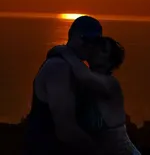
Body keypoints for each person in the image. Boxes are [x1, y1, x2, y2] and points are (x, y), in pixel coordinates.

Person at [23, 16, 103, 155]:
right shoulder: (59, 68)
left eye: (96, 41)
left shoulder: (75, 68)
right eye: (85, 38)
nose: (90, 45)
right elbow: (65, 129)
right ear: (71, 35)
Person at [53, 37, 141, 155]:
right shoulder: (84, 86)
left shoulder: (110, 84)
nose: (96, 50)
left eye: (103, 50)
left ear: (110, 61)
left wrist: (64, 51)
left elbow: (83, 75)